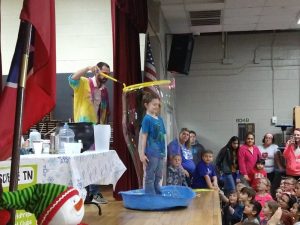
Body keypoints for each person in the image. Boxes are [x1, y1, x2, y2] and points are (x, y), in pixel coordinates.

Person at [68, 62, 111, 204]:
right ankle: (85, 193)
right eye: (104, 73)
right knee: (81, 162)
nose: (106, 77)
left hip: (96, 129)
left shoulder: (104, 91)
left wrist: (102, 127)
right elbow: (72, 78)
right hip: (81, 128)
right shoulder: (84, 83)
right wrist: (87, 68)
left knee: (94, 162)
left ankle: (93, 193)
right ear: (97, 71)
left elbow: (104, 111)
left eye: (108, 74)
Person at [140, 92, 166, 194]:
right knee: (150, 173)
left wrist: (165, 152)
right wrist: (142, 154)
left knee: (159, 173)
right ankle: (149, 193)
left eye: (158, 105)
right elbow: (144, 137)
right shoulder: (147, 119)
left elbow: (163, 136)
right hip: (152, 152)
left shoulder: (160, 119)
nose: (156, 107)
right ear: (146, 105)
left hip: (161, 152)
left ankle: (156, 188)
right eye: (154, 104)